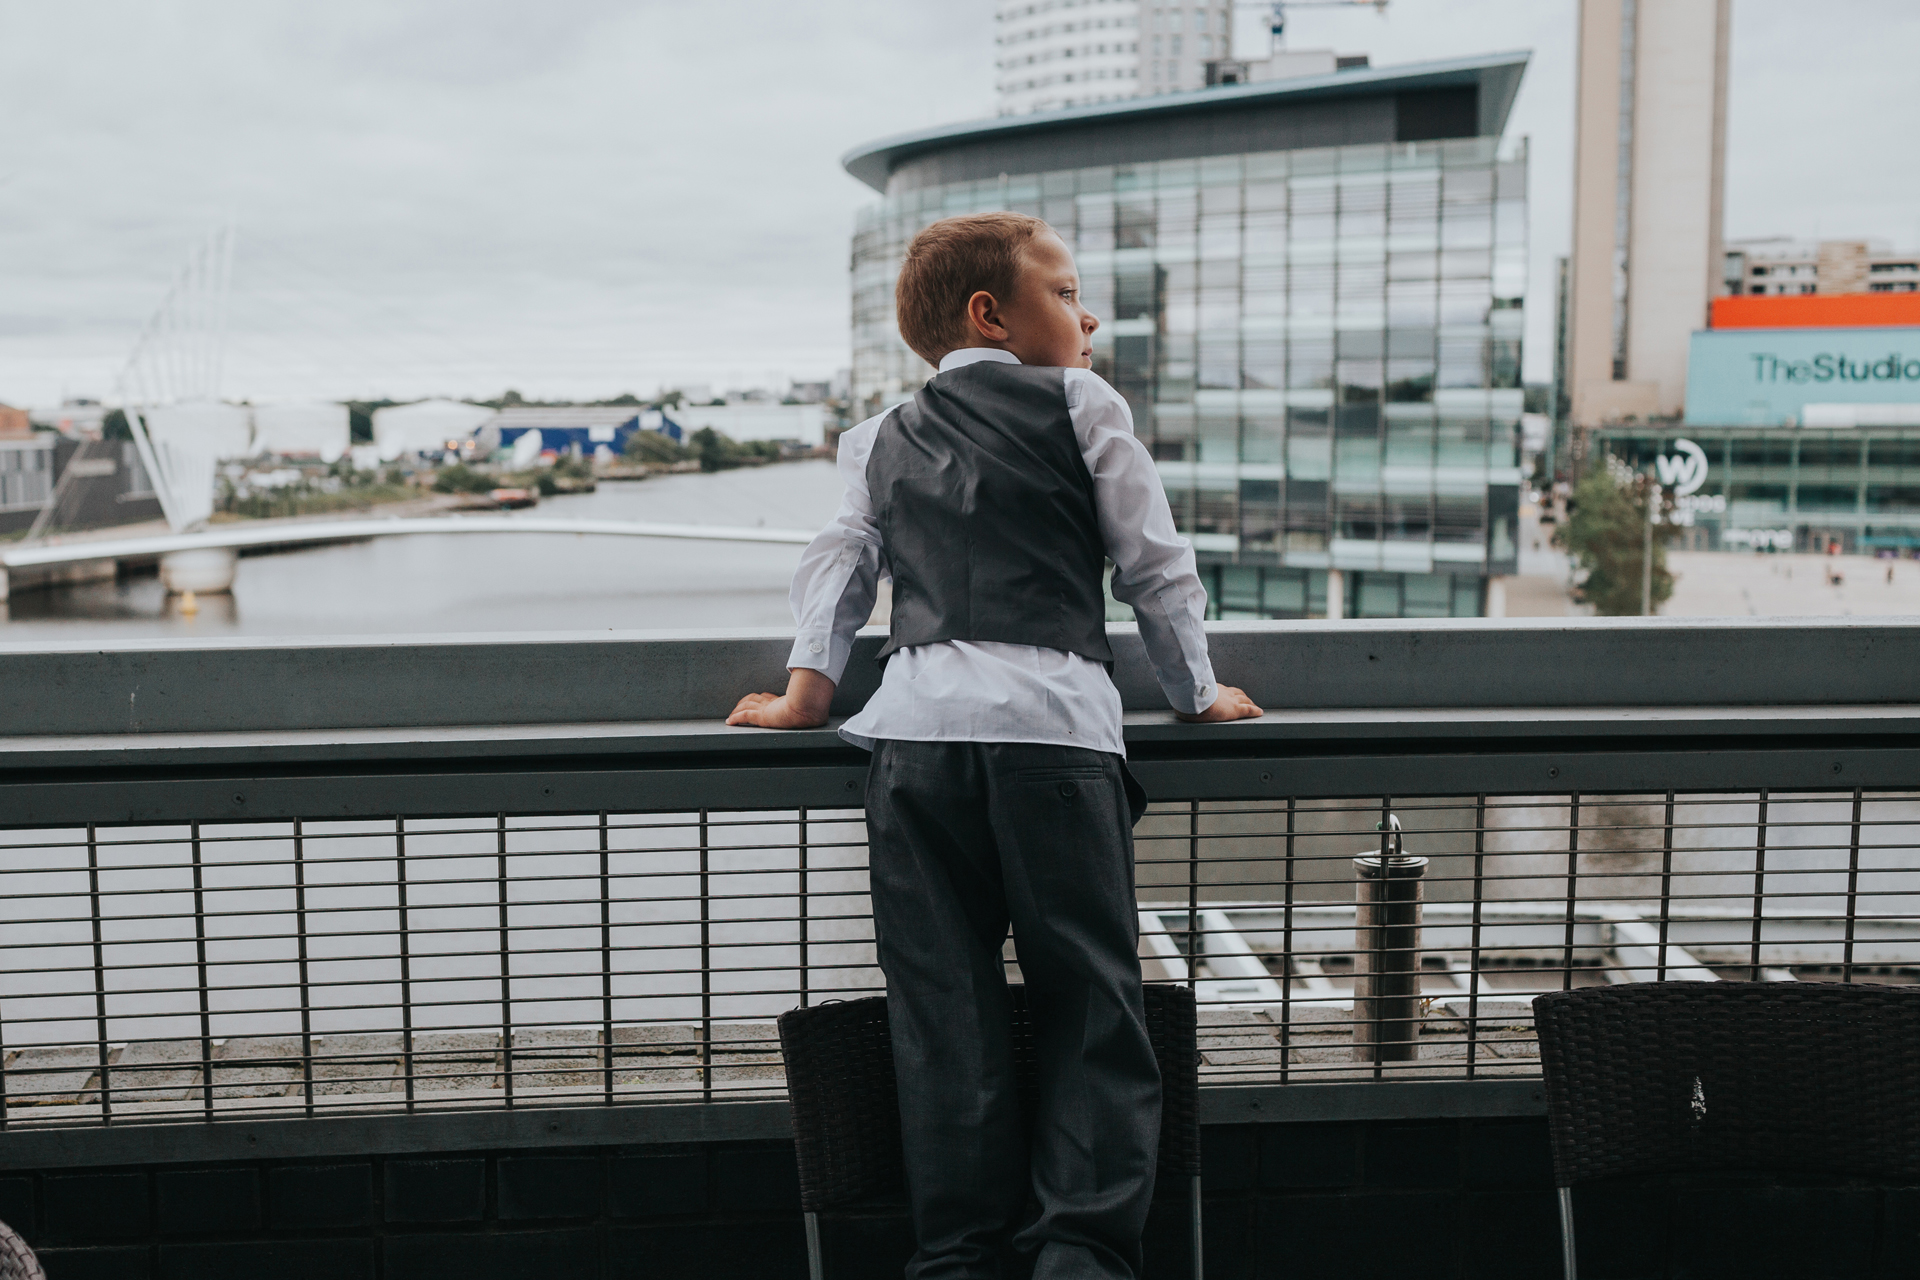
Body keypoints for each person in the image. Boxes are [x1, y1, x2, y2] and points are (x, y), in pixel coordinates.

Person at [727, 211, 1262, 1280]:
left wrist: (801, 699)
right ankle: (1080, 1253)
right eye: (1065, 293)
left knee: (942, 1016)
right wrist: (1197, 691)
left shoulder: (880, 432)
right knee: (1093, 1009)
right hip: (1052, 741)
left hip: (916, 748)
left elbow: (840, 569)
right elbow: (1154, 565)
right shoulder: (1082, 400)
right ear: (994, 315)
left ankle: (958, 1256)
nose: (1087, 312)